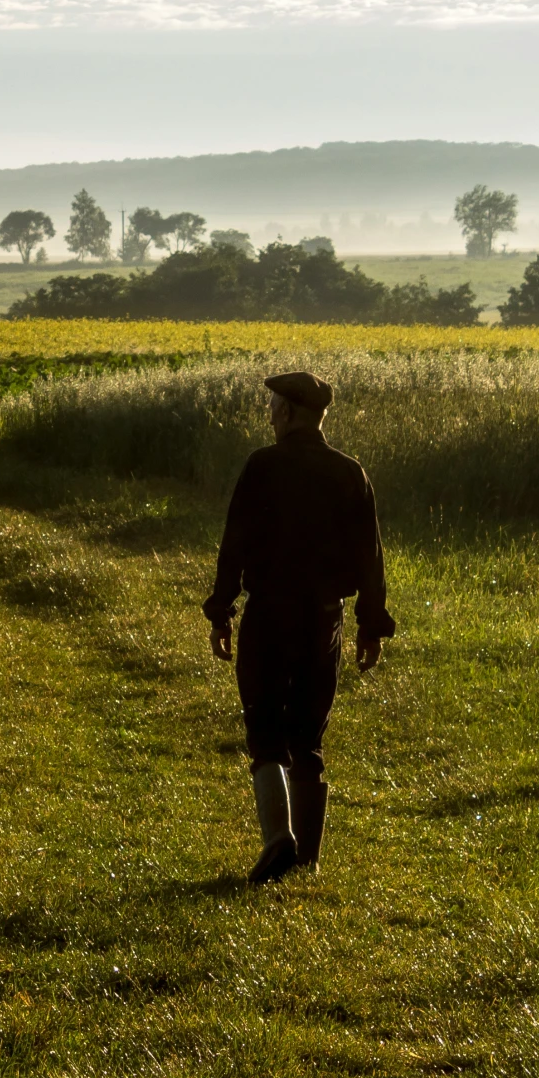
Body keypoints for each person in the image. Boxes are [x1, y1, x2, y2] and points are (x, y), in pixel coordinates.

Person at [202, 370, 395, 884]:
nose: (268, 414)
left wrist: (221, 609)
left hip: (269, 614)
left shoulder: (262, 466)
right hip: (323, 618)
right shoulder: (351, 473)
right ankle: (307, 862)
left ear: (285, 412)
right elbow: (371, 559)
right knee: (307, 738)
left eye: (271, 407)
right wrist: (370, 627)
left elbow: (234, 544)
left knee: (265, 733)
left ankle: (278, 840)